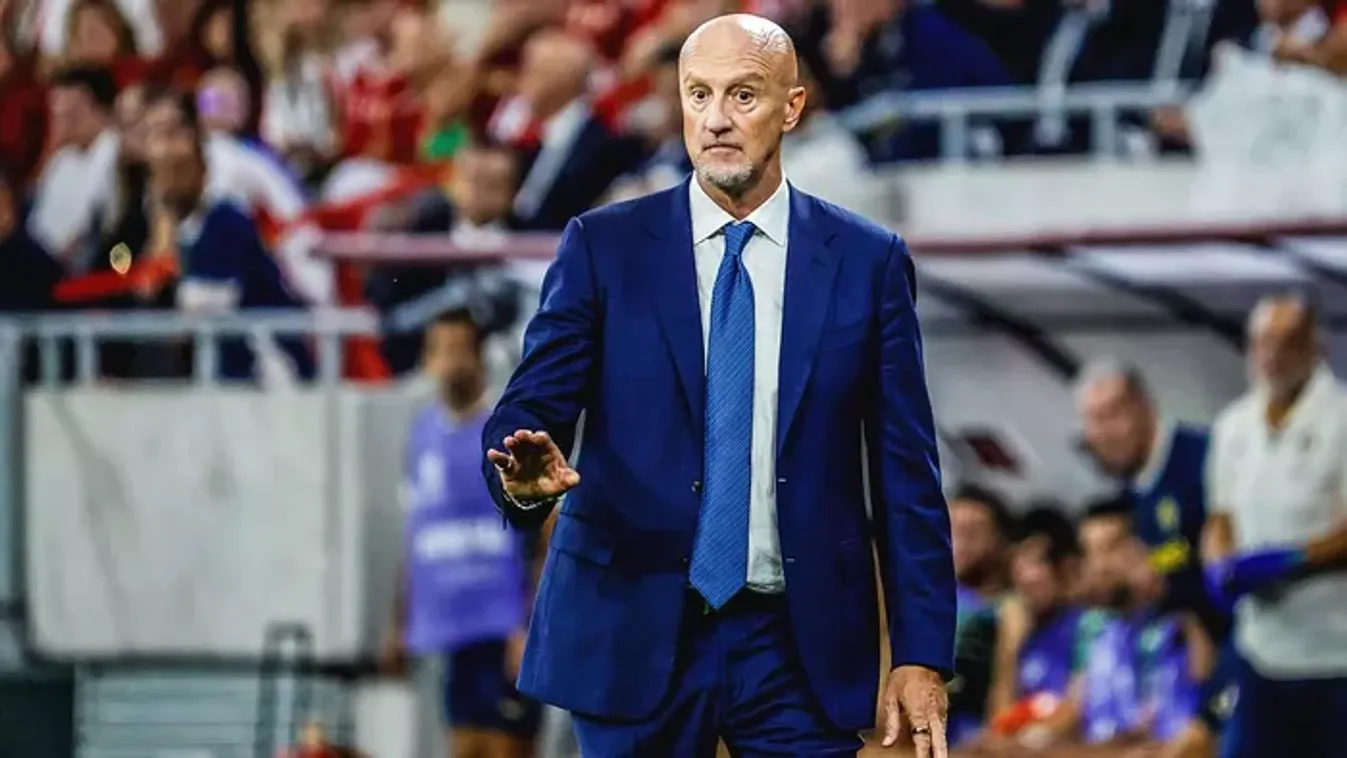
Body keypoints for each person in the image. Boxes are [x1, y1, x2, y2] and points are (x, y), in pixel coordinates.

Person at [481, 13, 955, 758]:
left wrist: (921, 652)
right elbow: (529, 405)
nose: (715, 119)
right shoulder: (603, 246)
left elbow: (906, 476)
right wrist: (520, 477)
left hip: (796, 642)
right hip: (631, 625)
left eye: (742, 95)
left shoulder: (868, 262)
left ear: (791, 108)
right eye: (697, 94)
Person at [382, 309, 542, 758]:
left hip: (502, 629)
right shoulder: (422, 436)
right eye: (441, 350)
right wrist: (397, 624)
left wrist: (529, 623)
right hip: (451, 631)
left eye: (459, 349)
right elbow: (416, 533)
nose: (451, 361)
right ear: (427, 359)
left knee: (506, 748)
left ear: (478, 358)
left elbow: (541, 535)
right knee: (462, 745)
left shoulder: (505, 433)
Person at [1203, 294, 1347, 758]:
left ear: (1315, 348)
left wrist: (1292, 561)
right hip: (1261, 649)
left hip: (1335, 654)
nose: (1271, 355)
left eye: (1286, 343)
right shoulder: (1233, 426)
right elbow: (1220, 516)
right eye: (1261, 343)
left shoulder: (1341, 418)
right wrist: (1218, 563)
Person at [1075, 359, 1235, 757]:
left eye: (1110, 415)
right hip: (1195, 675)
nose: (1100, 434)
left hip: (1249, 662)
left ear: (1143, 406)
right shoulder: (1137, 492)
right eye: (1091, 421)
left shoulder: (1205, 461)